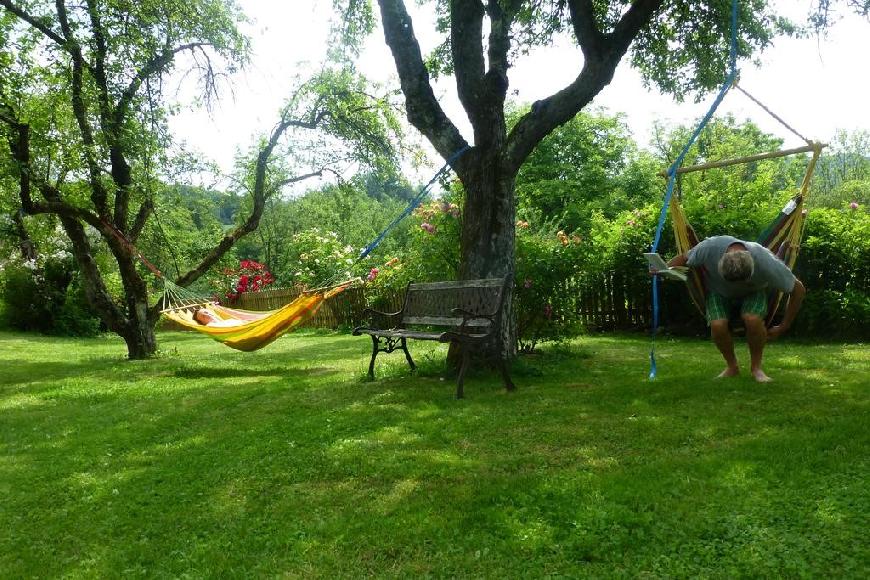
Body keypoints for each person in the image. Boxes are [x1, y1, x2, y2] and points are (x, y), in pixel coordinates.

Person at [664, 235, 805, 382]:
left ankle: (756, 368)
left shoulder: (766, 261)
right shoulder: (708, 248)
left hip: (753, 291)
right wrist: (662, 269)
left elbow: (798, 290)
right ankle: (732, 367)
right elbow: (683, 259)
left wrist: (784, 326)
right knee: (717, 325)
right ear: (720, 260)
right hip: (718, 292)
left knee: (752, 319)